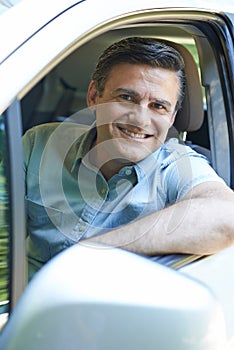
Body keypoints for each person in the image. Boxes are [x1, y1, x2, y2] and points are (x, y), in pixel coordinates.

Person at [23, 37, 234, 279]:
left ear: (173, 117)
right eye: (126, 98)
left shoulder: (177, 164)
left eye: (158, 106)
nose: (140, 120)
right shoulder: (39, 142)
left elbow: (228, 216)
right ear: (93, 97)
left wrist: (93, 253)